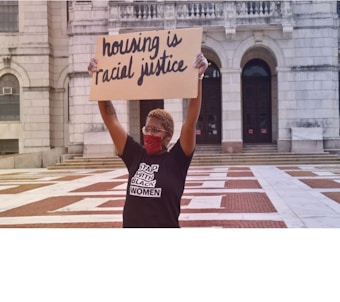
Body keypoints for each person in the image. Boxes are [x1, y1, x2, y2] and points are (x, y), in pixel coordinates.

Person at [88, 52, 208, 227]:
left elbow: (189, 123)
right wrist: (99, 82)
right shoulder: (135, 155)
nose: (149, 134)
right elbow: (111, 120)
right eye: (147, 129)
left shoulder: (177, 160)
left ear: (168, 135)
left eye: (156, 130)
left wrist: (198, 78)